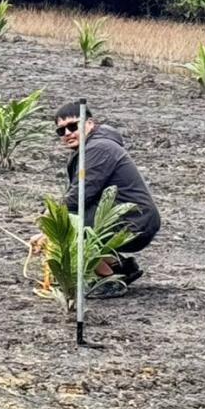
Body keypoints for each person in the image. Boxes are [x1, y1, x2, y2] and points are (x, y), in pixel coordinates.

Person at [39, 102, 161, 299]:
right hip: (134, 219)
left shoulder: (98, 148)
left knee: (70, 227)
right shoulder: (94, 146)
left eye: (73, 126)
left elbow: (79, 195)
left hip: (134, 222)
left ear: (89, 123)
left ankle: (108, 279)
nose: (68, 133)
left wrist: (49, 225)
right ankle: (119, 266)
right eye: (61, 131)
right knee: (75, 220)